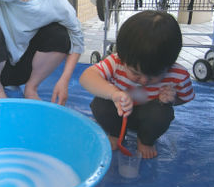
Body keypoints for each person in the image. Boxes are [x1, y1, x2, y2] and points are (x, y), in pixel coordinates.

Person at [79, 10, 194, 159]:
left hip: (147, 118)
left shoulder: (177, 75)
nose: (144, 81)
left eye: (154, 76)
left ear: (169, 64)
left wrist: (172, 100)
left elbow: (185, 98)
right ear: (123, 58)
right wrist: (114, 93)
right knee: (100, 104)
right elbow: (86, 77)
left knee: (162, 113)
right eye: (135, 73)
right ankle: (115, 134)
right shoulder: (116, 62)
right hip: (118, 114)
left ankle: (145, 140)